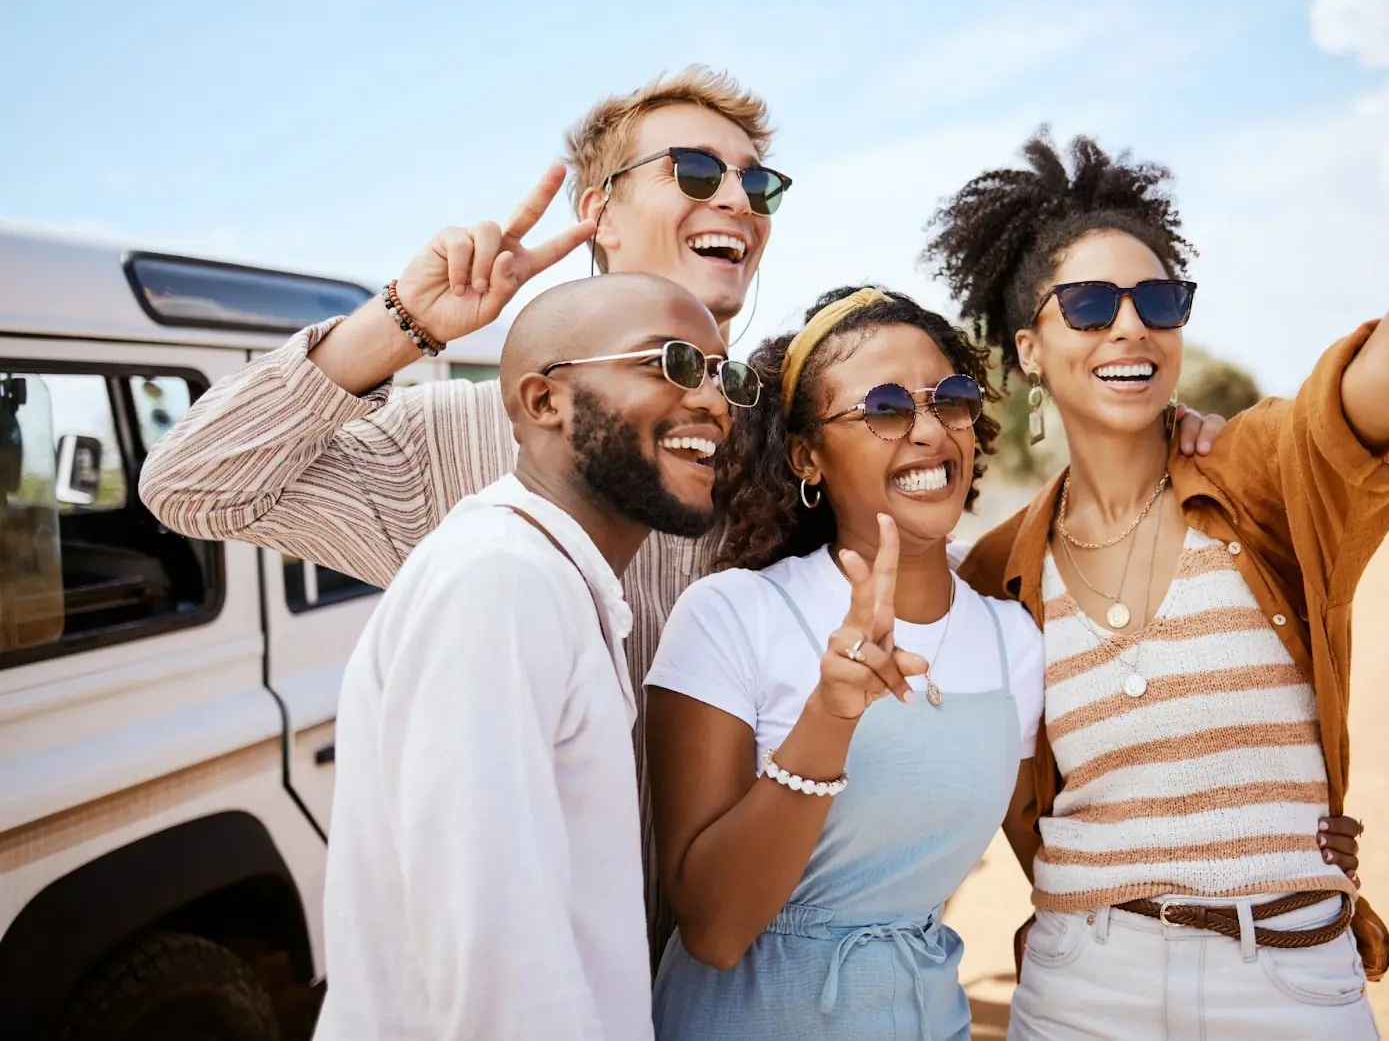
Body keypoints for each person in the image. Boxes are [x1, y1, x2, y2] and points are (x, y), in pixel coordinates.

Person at [137, 66, 1229, 961]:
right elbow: (195, 481)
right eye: (695, 170)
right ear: (598, 210)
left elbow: (935, 484)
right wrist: (401, 325)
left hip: (751, 961)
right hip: (536, 971)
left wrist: (1144, 426)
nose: (737, 200)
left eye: (759, 182)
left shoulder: (783, 437)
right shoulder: (458, 439)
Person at [926, 82, 1389, 1039]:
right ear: (1031, 347)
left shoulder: (1261, 472)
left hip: (1287, 981)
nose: (1130, 326)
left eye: (1159, 298)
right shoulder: (995, 567)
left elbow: (1388, 366)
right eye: (1088, 304)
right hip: (1081, 987)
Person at [312, 272, 738, 1041]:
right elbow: (497, 959)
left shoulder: (548, 578)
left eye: (720, 373)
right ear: (546, 401)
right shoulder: (502, 580)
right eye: (670, 362)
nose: (713, 400)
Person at [645, 286, 1044, 1041]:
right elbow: (715, 929)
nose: (928, 430)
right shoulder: (735, 616)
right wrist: (830, 715)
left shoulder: (1011, 642)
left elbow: (1063, 866)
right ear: (808, 456)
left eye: (950, 399)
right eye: (886, 408)